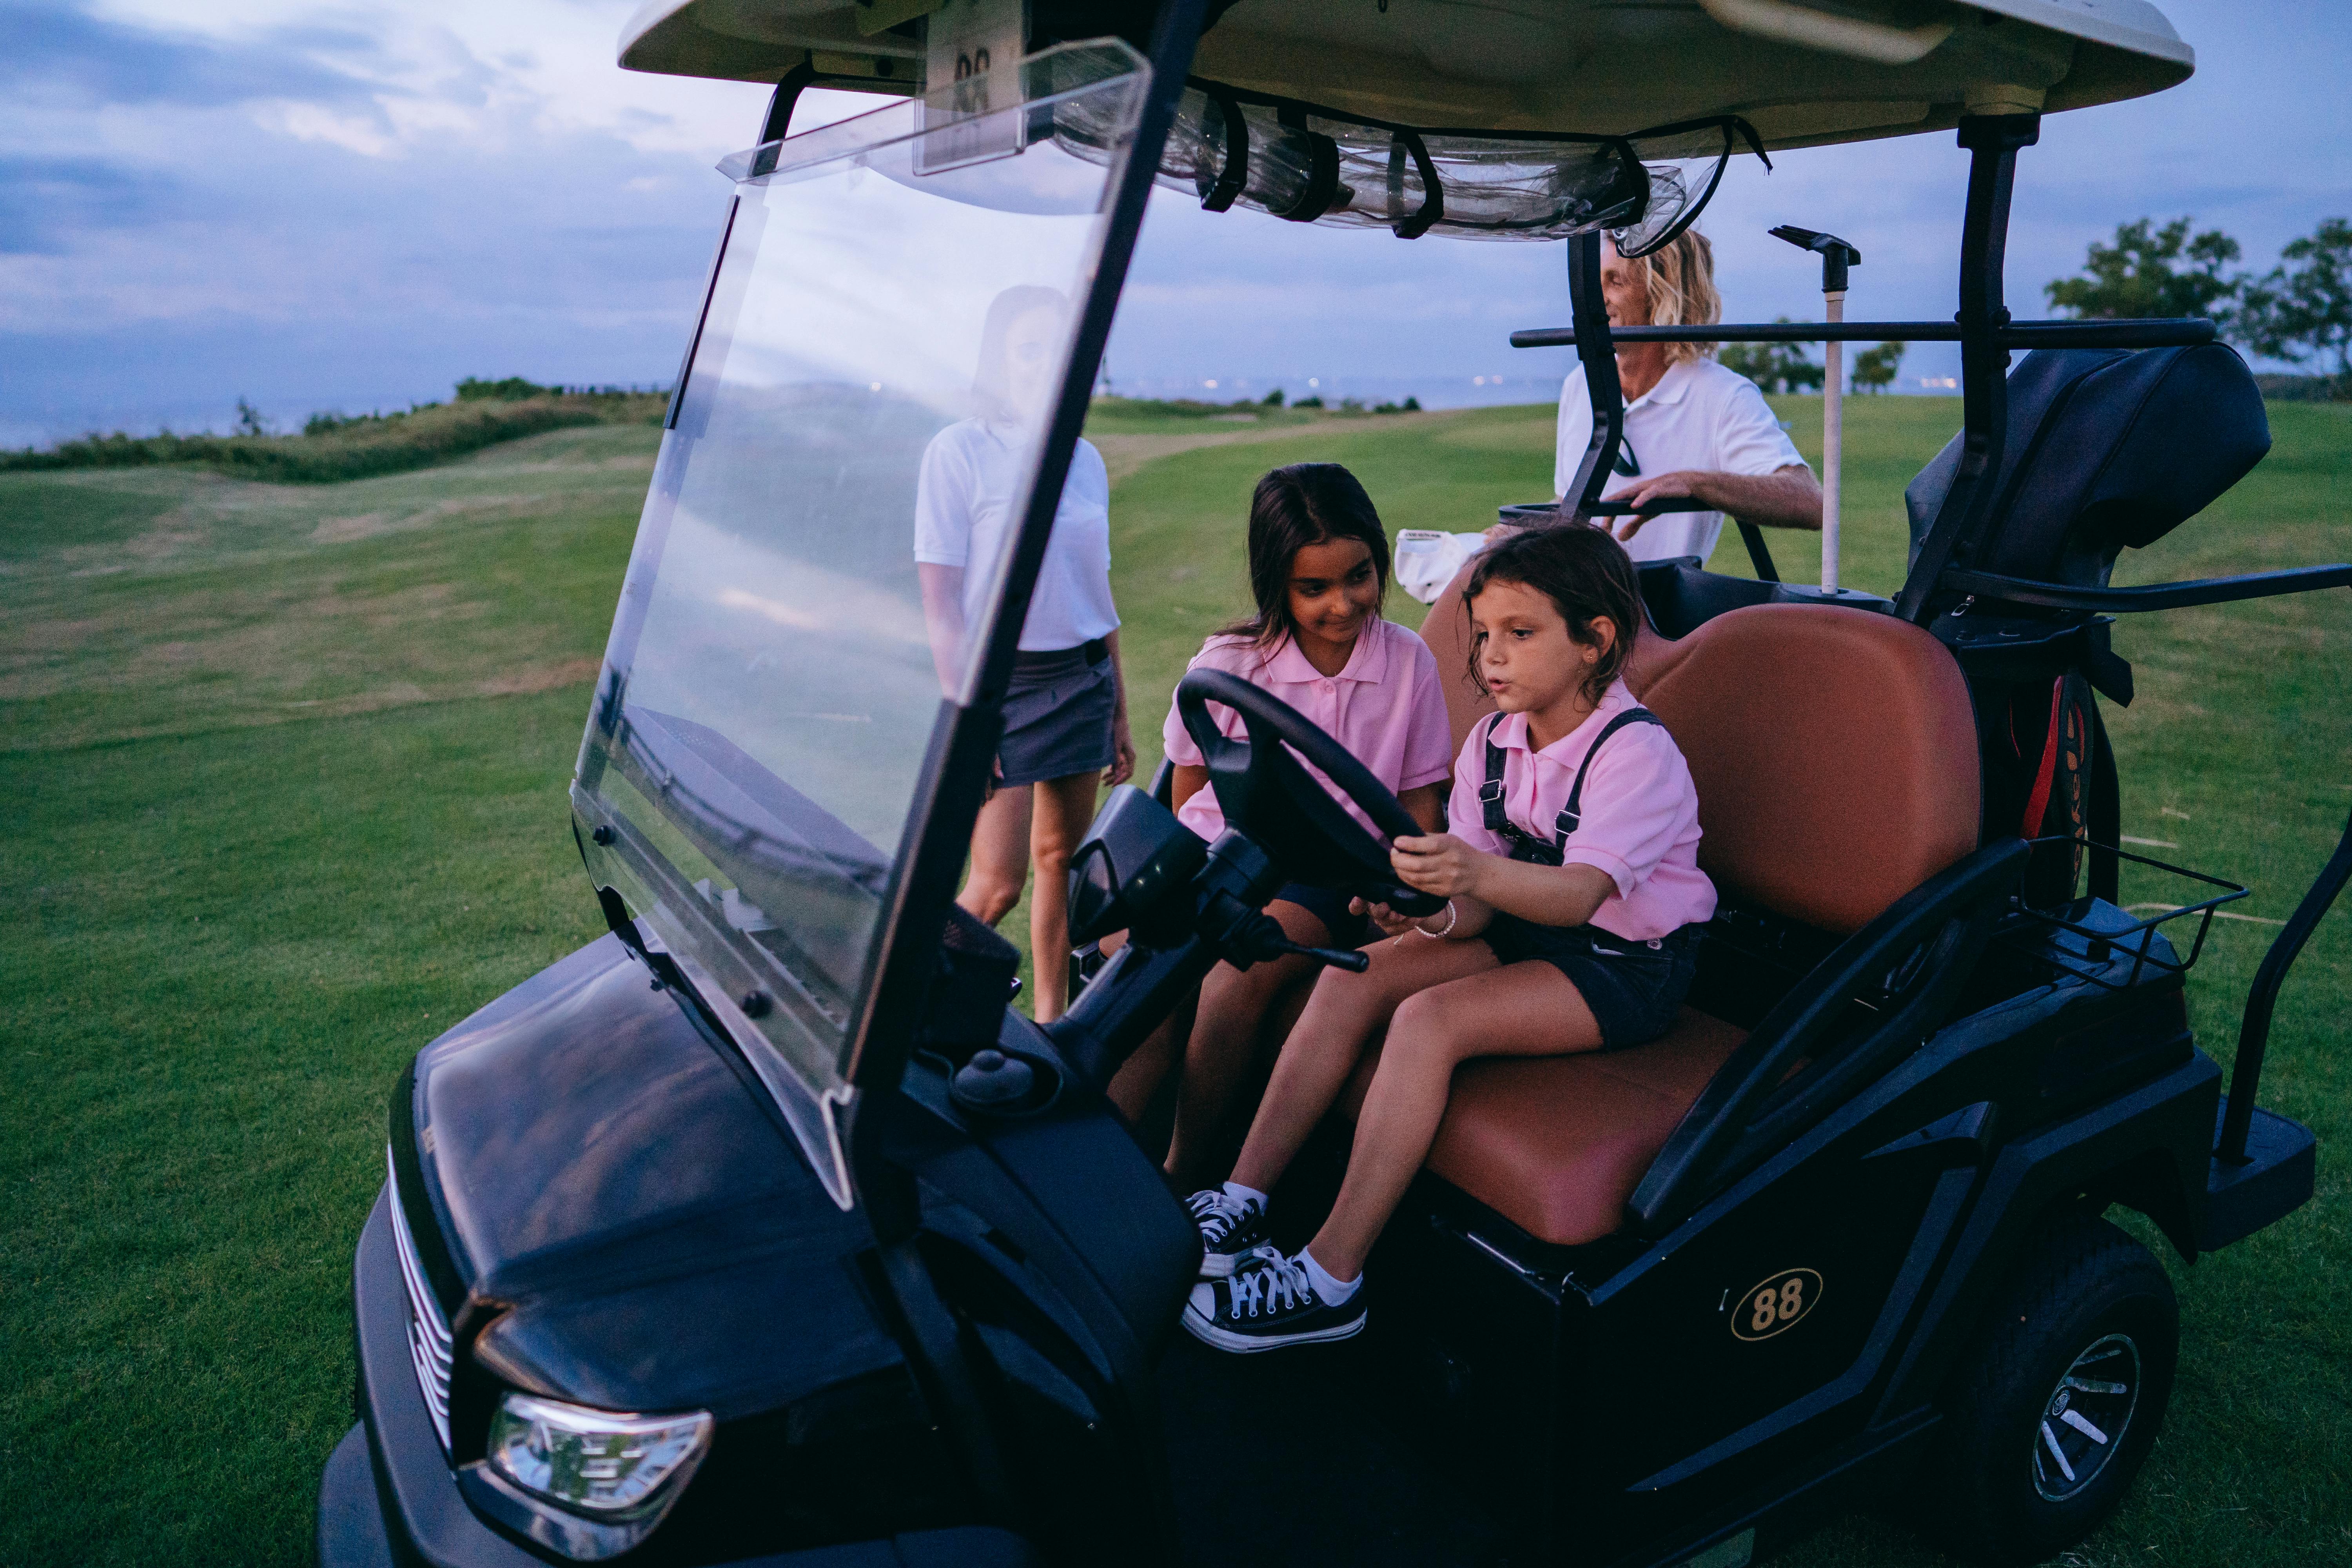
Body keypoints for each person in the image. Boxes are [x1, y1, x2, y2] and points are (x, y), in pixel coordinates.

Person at [1180, 524, 1716, 1349]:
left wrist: (1465, 877)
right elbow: (1480, 910)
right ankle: (1243, 1199)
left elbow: (1577, 896)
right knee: (1361, 969)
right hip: (1527, 933)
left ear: (1594, 641)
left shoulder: (1633, 753)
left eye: (1521, 634)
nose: (1491, 657)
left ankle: (1332, 1276)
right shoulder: (1494, 744)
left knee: (1430, 1022)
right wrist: (1427, 912)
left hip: (1622, 965)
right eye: (1486, 635)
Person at [1106, 464, 1453, 1205]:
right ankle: (1088, 1168)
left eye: (1359, 577)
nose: (1343, 604)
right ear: (1276, 585)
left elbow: (1421, 798)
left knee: (1239, 972)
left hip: (1327, 875)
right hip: (1220, 857)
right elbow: (1189, 786)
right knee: (1144, 969)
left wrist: (1407, 890)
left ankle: (1186, 1175)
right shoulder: (1229, 662)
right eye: (1314, 589)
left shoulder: (1408, 662)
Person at [916, 285, 1136, 1022]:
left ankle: (1053, 1024)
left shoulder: (1086, 460)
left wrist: (1121, 711)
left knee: (1058, 867)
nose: (1049, 364)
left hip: (1081, 681)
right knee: (997, 883)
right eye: (1030, 349)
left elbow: (1093, 593)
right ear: (999, 360)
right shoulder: (958, 451)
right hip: (998, 691)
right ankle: (907, 1017)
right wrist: (967, 722)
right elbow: (942, 604)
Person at [1548, 230, 1820, 563]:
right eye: (1593, 281)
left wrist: (1694, 483)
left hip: (1661, 603)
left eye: (1615, 281)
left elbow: (1810, 501)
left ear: (1664, 293)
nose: (1594, 297)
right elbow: (1566, 504)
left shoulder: (1723, 396)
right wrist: (1516, 535)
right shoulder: (1579, 385)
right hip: (1575, 594)